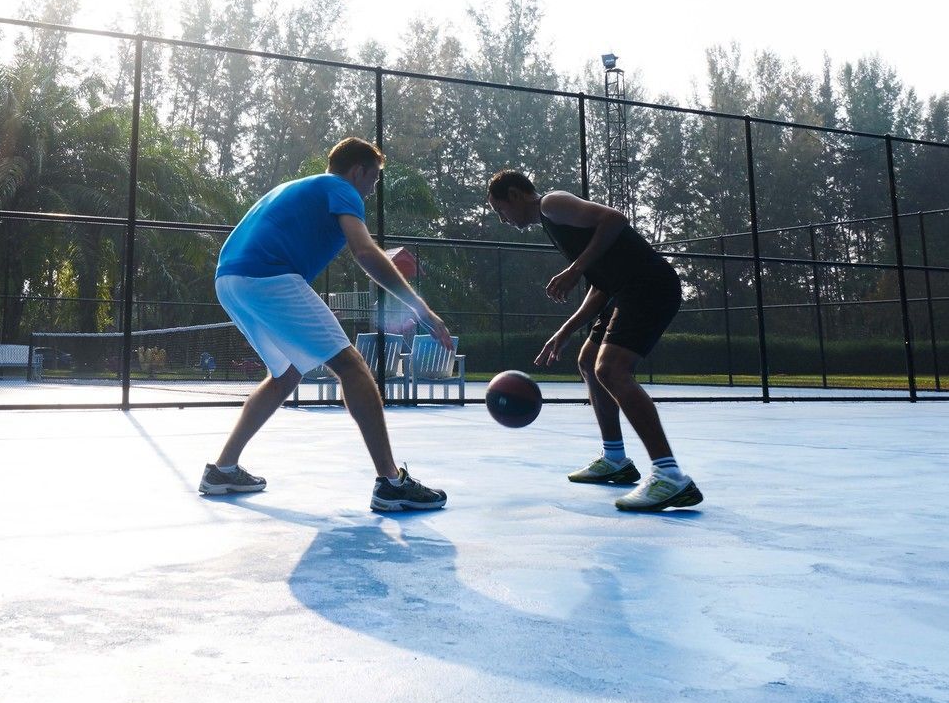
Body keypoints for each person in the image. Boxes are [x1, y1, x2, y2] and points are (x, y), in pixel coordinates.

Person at [202, 137, 452, 512]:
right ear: (358, 171)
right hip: (268, 277)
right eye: (374, 179)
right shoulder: (341, 188)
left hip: (230, 280)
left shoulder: (298, 188)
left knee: (285, 375)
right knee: (352, 366)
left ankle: (222, 469)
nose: (371, 189)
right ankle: (390, 482)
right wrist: (422, 310)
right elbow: (366, 252)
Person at [486, 169, 703, 512]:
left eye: (501, 210)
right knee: (589, 362)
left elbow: (615, 218)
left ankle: (669, 475)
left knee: (612, 369)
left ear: (516, 195)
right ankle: (615, 458)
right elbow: (601, 284)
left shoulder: (552, 204)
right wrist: (567, 330)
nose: (503, 219)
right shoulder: (554, 225)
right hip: (624, 290)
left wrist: (573, 270)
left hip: (649, 285)